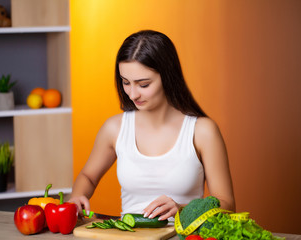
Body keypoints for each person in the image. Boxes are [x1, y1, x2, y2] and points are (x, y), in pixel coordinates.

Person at [69, 30, 235, 221]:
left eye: (143, 84)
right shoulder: (114, 128)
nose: (132, 94)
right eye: (125, 82)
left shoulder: (202, 131)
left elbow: (227, 204)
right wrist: (77, 197)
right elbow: (88, 176)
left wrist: (182, 209)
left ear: (168, 77)